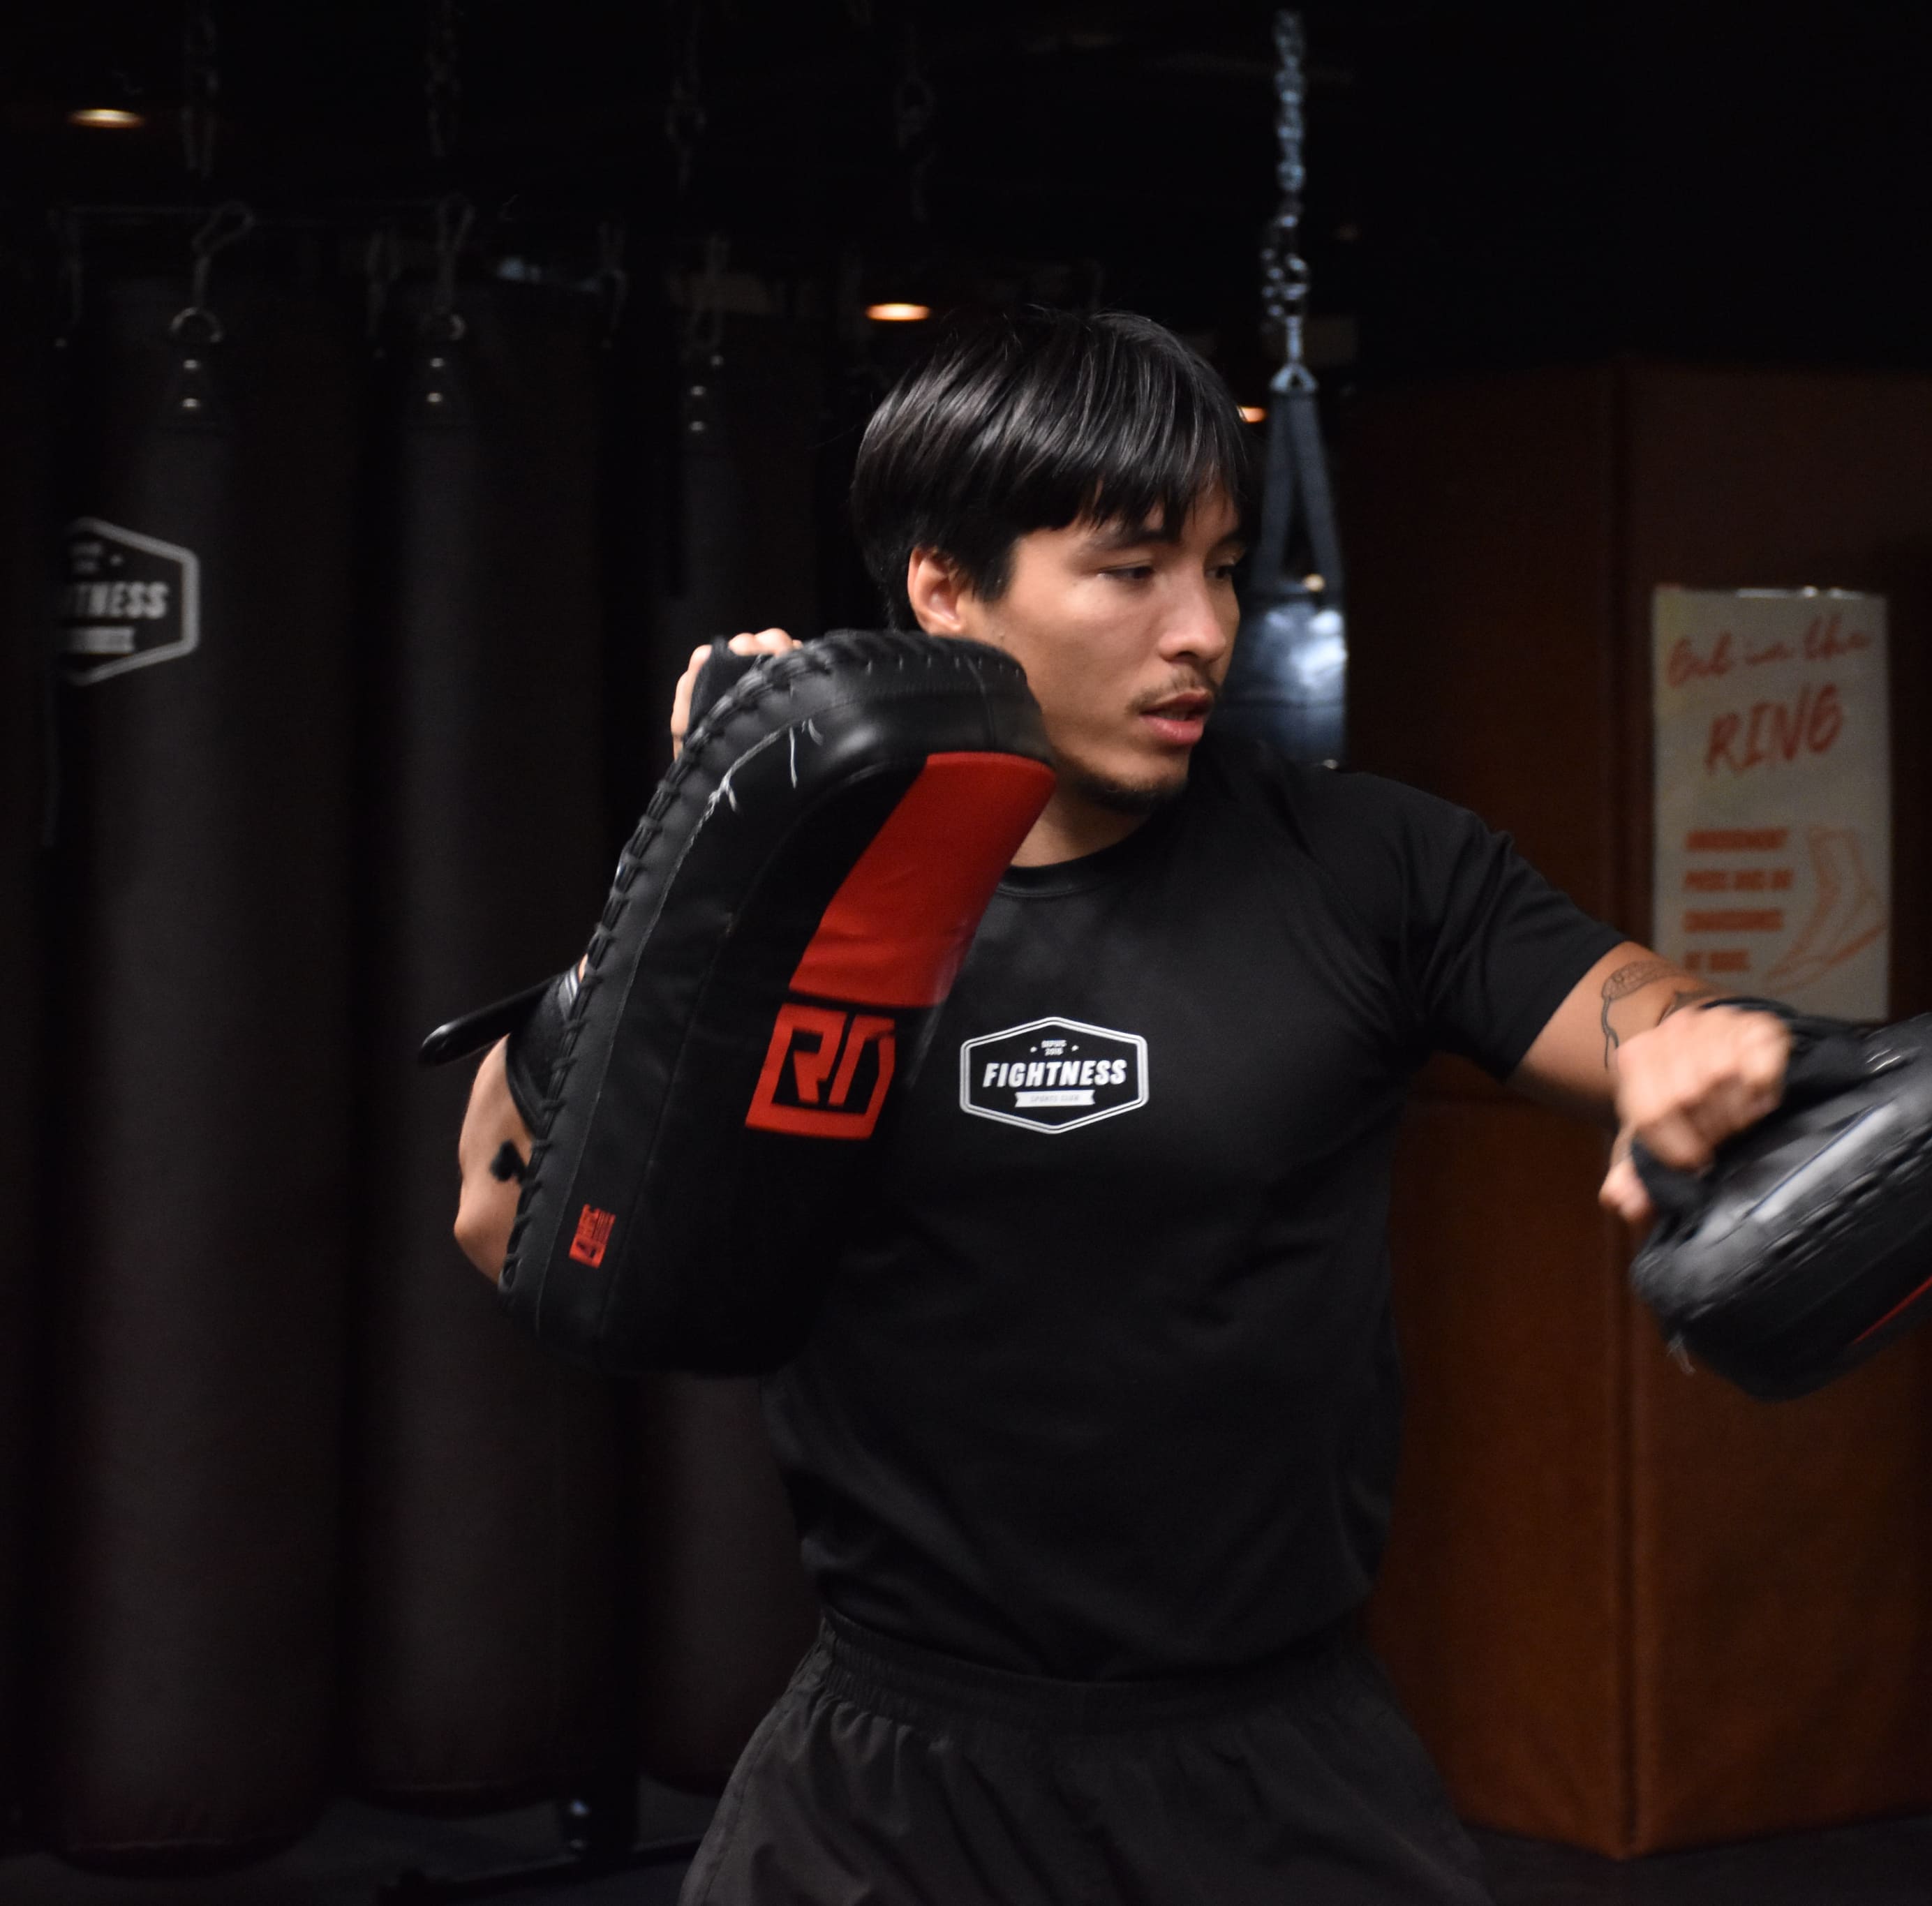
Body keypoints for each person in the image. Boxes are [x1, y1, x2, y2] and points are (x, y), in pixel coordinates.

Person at [450, 307, 1789, 1905]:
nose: (1202, 630)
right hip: (896, 1777)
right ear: (947, 588)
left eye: (1221, 566)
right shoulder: (806, 920)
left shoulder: (1368, 867)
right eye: (1131, 567)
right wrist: (694, 877)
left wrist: (1680, 1047)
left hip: (1272, 1769)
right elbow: (505, 1221)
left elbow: (1632, 1006)